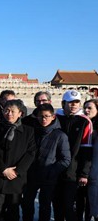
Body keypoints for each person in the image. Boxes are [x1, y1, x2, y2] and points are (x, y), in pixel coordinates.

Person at [0, 99, 36, 221]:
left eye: (13, 111)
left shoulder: (28, 131)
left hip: (16, 179)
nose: (9, 114)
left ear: (20, 113)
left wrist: (17, 171)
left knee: (13, 212)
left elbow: (31, 153)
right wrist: (2, 169)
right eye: (6, 110)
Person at [22, 103, 71, 221]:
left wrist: (52, 171)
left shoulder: (60, 135)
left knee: (45, 205)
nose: (43, 119)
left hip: (48, 175)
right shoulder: (31, 131)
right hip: (31, 174)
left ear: (53, 116)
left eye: (47, 116)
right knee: (27, 204)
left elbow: (66, 159)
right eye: (41, 116)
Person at [53, 90, 93, 221]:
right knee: (57, 204)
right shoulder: (54, 118)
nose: (74, 105)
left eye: (76, 102)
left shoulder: (85, 121)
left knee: (70, 206)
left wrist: (84, 173)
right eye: (70, 102)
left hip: (73, 172)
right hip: (54, 169)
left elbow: (86, 149)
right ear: (63, 103)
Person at [77, 99, 98, 221]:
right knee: (80, 200)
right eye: (85, 107)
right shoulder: (82, 123)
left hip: (94, 169)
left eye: (90, 108)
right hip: (81, 169)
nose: (86, 110)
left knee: (94, 202)